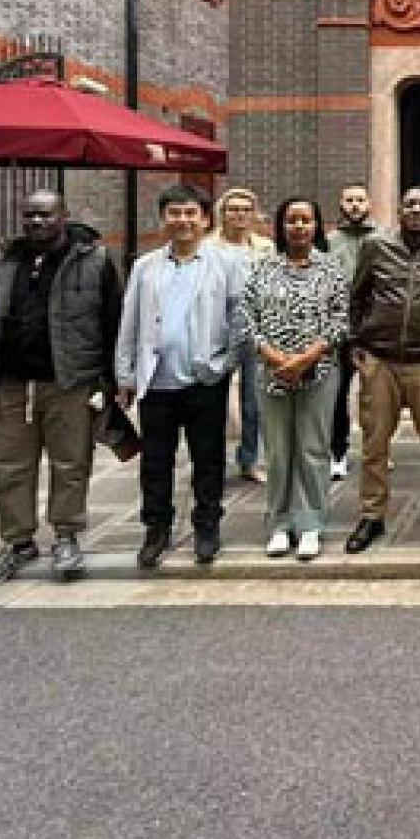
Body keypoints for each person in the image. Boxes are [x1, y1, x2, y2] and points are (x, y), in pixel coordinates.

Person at [0, 189, 123, 589]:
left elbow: (112, 323)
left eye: (46, 215)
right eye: (30, 216)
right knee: (8, 466)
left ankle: (67, 535)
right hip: (11, 385)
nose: (37, 223)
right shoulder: (3, 262)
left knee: (70, 463)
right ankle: (17, 541)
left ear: (64, 216)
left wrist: (109, 380)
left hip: (70, 382)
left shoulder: (94, 262)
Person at [115, 184, 247, 569]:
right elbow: (130, 322)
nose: (183, 221)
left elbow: (240, 319)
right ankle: (156, 529)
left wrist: (226, 363)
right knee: (155, 460)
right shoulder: (145, 266)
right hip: (156, 381)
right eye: (175, 213)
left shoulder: (226, 263)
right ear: (164, 219)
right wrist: (125, 375)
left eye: (191, 213)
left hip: (205, 378)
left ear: (205, 219)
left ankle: (207, 527)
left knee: (208, 458)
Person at [344, 186, 420, 554]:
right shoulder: (376, 247)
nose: (416, 209)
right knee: (374, 442)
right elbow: (357, 296)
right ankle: (372, 515)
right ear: (399, 210)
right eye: (410, 204)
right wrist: (357, 343)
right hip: (379, 359)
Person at [239, 197, 348, 562]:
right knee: (279, 450)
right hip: (272, 373)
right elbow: (247, 317)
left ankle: (311, 525)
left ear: (317, 225)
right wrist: (272, 356)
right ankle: (279, 525)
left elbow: (340, 320)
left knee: (313, 449)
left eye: (305, 220)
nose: (298, 227)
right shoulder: (262, 268)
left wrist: (306, 358)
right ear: (281, 226)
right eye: (291, 220)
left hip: (318, 372)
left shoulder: (331, 269)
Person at [211, 186, 275, 484]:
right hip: (216, 328)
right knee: (213, 398)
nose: (239, 214)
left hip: (256, 328)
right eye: (232, 209)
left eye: (245, 209)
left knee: (256, 398)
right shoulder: (208, 246)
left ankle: (252, 458)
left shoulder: (265, 247)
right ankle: (212, 460)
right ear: (222, 213)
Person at [324, 182, 379, 480]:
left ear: (369, 203)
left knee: (377, 396)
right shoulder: (329, 241)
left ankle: (377, 449)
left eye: (360, 200)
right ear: (342, 204)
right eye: (349, 200)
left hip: (375, 329)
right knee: (339, 394)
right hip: (341, 328)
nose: (355, 205)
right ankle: (338, 452)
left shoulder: (384, 238)